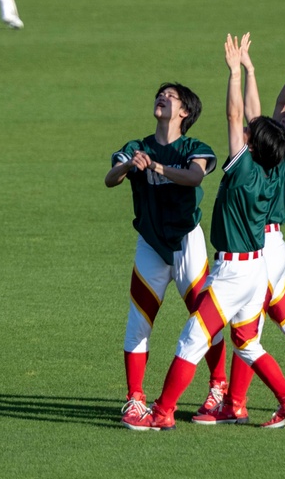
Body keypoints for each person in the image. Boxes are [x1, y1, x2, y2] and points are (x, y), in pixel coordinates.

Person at [123, 33, 285, 431]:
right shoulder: (283, 168)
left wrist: (236, 72)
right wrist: (263, 68)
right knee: (250, 342)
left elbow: (239, 116)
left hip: (236, 271)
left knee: (192, 340)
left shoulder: (243, 173)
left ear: (254, 147)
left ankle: (164, 412)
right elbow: (266, 114)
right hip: (257, 265)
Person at [193, 32, 285, 425]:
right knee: (280, 320)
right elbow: (278, 105)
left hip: (262, 245)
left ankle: (239, 403)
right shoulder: (275, 145)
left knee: (250, 325)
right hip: (267, 244)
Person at [104, 84, 225, 427]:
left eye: (170, 96)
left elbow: (195, 176)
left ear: (185, 111)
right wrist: (128, 165)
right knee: (138, 322)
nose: (162, 98)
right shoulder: (136, 147)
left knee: (205, 320)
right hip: (150, 243)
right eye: (160, 94)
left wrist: (157, 167)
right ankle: (135, 399)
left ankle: (218, 387)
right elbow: (110, 179)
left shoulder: (194, 147)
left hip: (188, 242)